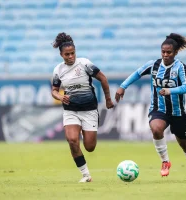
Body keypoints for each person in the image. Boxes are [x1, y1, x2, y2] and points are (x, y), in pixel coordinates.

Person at [115, 33, 186, 182]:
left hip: (177, 112)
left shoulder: (181, 67)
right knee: (156, 129)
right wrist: (123, 87)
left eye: (169, 52)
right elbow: (137, 74)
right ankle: (165, 161)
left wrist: (170, 90)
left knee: (185, 144)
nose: (165, 55)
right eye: (163, 52)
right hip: (158, 108)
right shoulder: (153, 65)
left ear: (175, 52)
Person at [51, 32, 114, 182]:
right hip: (71, 110)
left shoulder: (85, 64)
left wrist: (108, 99)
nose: (71, 56)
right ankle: (86, 175)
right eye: (67, 54)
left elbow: (103, 78)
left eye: (73, 53)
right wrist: (60, 96)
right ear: (61, 54)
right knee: (72, 140)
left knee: (90, 146)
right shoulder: (58, 70)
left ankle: (85, 141)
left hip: (89, 110)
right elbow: (54, 90)